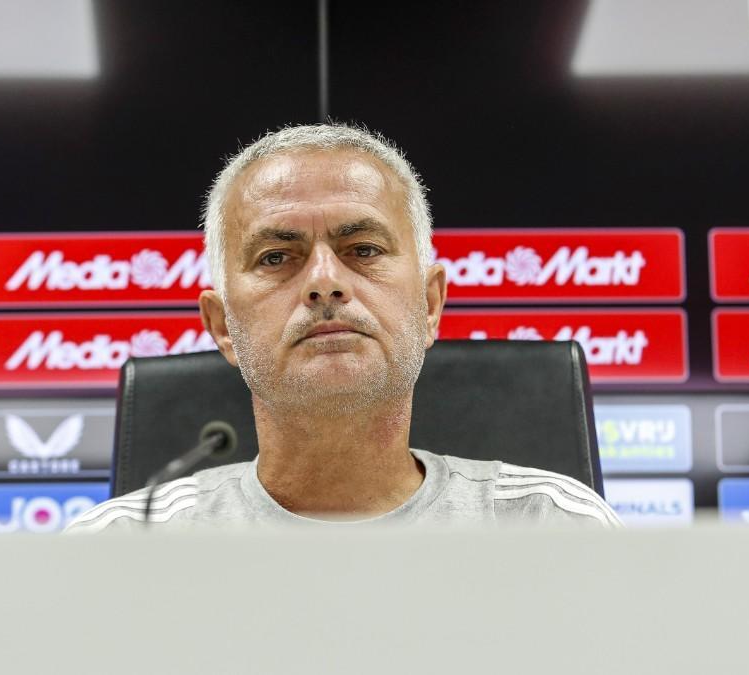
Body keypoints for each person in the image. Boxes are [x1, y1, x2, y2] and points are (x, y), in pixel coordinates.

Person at [68, 124, 621, 532]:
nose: (325, 282)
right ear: (223, 326)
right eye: (277, 257)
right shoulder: (121, 547)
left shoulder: (554, 529)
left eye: (363, 249)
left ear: (430, 304)